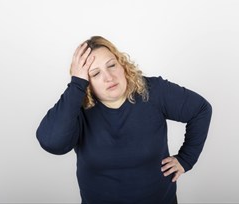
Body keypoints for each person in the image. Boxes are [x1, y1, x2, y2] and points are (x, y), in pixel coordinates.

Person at [36, 36, 212, 204]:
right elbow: (52, 143)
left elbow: (200, 109)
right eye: (95, 73)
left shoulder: (153, 91)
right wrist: (76, 86)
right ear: (86, 83)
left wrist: (186, 159)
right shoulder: (77, 109)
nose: (109, 77)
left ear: (122, 65)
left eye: (111, 65)